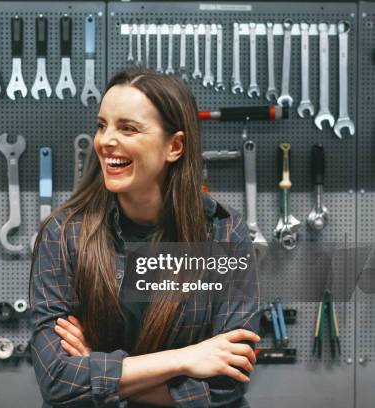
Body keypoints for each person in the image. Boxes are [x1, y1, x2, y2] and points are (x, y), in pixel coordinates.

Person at [29, 68, 260, 408]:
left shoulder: (225, 234)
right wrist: (184, 359)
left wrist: (101, 375)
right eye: (101, 124)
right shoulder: (64, 235)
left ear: (174, 146)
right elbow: (57, 379)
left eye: (128, 128)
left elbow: (227, 384)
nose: (106, 141)